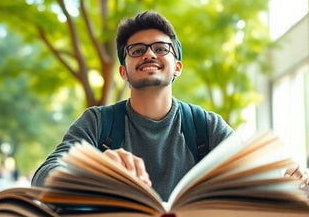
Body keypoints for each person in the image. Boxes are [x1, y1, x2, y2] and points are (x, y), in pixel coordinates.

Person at [31, 10, 307, 200]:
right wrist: (93, 167)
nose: (149, 53)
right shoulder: (97, 123)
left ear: (177, 67)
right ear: (123, 72)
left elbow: (251, 179)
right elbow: (43, 178)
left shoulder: (205, 126)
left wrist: (287, 183)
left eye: (161, 48)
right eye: (136, 50)